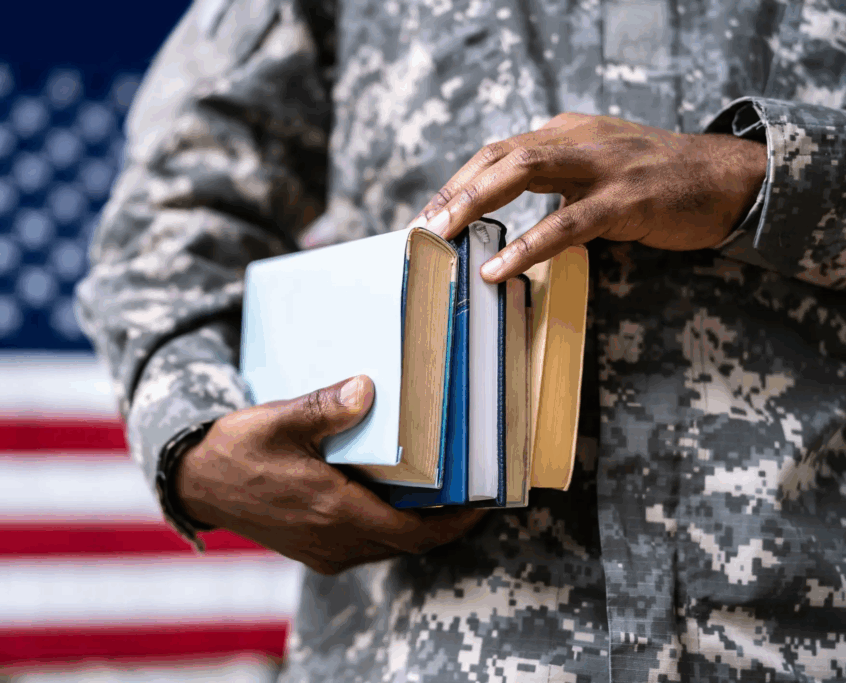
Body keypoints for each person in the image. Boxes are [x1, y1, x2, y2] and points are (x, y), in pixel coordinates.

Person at [76, 0, 846, 680]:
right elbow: (164, 227)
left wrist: (758, 176)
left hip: (797, 639)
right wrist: (194, 442)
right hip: (424, 646)